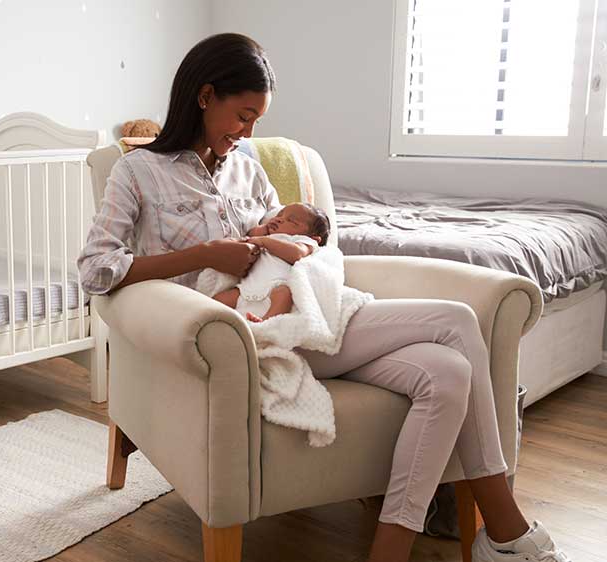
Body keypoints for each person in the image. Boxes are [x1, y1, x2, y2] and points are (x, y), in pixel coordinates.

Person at [76, 32, 570, 562]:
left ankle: (390, 551)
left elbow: (301, 246)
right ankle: (506, 528)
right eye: (243, 116)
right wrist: (204, 255)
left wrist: (298, 251)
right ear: (204, 96)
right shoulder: (138, 172)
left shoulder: (247, 168)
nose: (248, 133)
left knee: (448, 373)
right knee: (456, 320)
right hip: (248, 339)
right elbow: (96, 269)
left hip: (308, 316)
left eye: (256, 121)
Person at [212, 202, 331, 322]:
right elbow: (249, 235)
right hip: (245, 290)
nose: (279, 219)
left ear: (314, 238)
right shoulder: (267, 235)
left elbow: (298, 254)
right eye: (279, 215)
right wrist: (263, 229)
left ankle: (265, 322)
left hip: (275, 289)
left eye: (291, 220)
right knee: (217, 300)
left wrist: (264, 241)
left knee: (284, 295)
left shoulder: (302, 241)